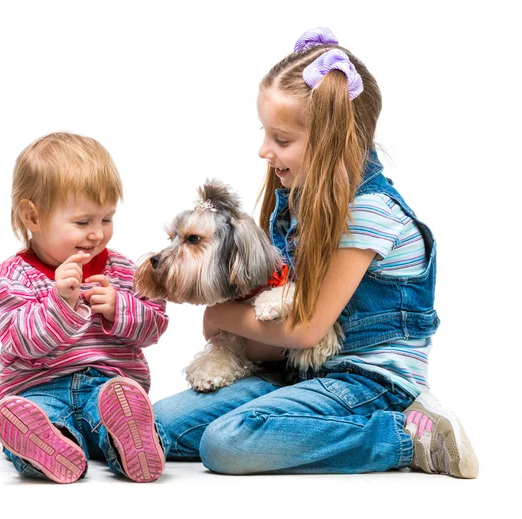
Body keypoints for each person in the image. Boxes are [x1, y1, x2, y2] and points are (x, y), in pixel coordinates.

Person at [153, 27, 479, 478]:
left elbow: (306, 329)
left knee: (227, 443)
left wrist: (220, 318)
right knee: (158, 425)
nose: (264, 150)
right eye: (265, 134)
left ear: (333, 142)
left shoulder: (369, 213)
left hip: (370, 384)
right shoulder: (296, 204)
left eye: (281, 140)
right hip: (304, 373)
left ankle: (407, 436)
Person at [0, 132, 169, 483]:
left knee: (119, 409)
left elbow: (156, 324)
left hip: (108, 386)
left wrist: (120, 308)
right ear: (33, 217)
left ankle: (132, 440)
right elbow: (20, 340)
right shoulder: (13, 276)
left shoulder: (122, 270)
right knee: (36, 417)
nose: (97, 234)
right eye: (83, 222)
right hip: (38, 388)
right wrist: (61, 305)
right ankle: (50, 446)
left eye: (106, 219)